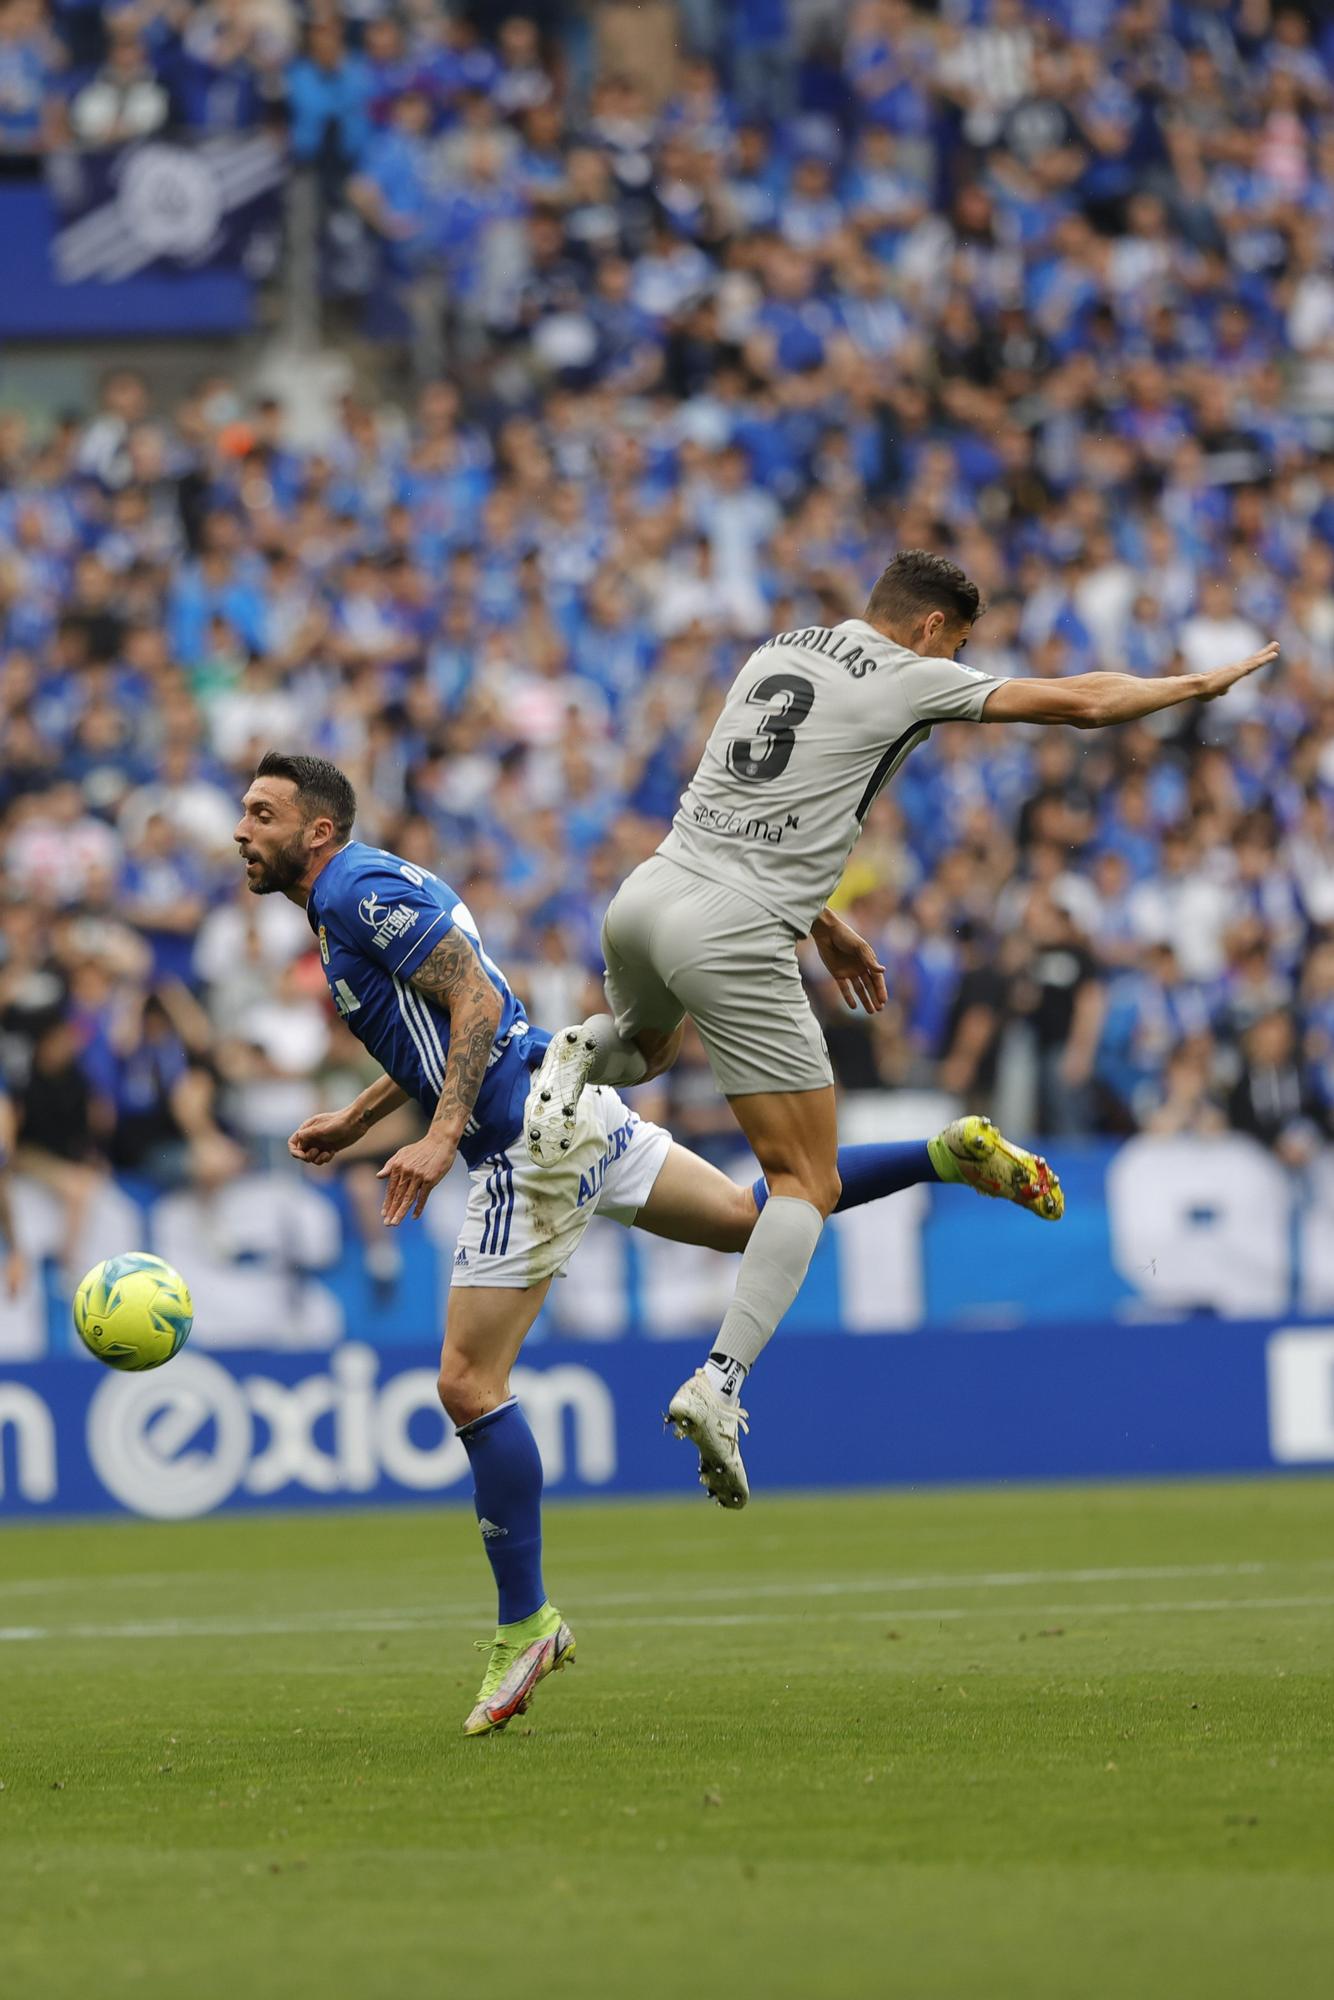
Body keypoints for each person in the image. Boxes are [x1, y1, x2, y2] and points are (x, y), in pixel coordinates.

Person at [237, 748, 1063, 1738]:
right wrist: (361, 1111)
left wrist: (442, 1131)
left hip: (524, 1141)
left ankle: (525, 1621)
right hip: (566, 1095)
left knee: (465, 1382)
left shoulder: (351, 895)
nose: (241, 829)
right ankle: (944, 1151)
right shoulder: (365, 889)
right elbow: (443, 1019)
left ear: (315, 830)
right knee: (749, 1220)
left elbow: (479, 1005)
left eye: (261, 812)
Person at [525, 549, 1280, 1508]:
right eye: (960, 644)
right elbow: (1084, 702)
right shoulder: (912, 674)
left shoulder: (778, 648)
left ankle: (579, 1047)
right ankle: (720, 1382)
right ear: (932, 629)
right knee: (806, 1181)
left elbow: (762, 808)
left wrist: (829, 922)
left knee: (648, 1048)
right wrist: (1195, 684)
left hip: (648, 895)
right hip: (733, 927)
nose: (959, 659)